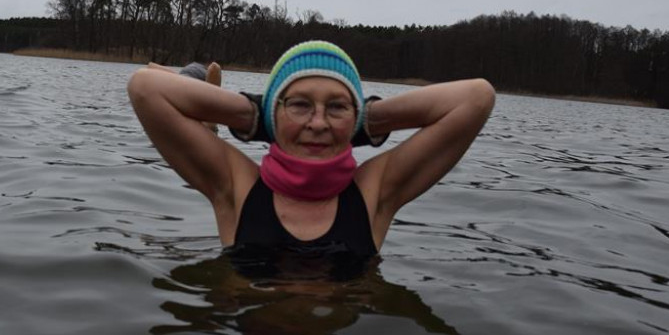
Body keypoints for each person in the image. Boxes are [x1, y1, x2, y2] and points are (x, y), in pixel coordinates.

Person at [127, 40, 495, 260]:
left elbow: (476, 98)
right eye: (299, 105)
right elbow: (146, 88)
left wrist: (365, 122)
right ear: (274, 114)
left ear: (356, 116)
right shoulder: (236, 187)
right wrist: (257, 115)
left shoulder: (374, 194)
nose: (318, 123)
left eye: (336, 107)